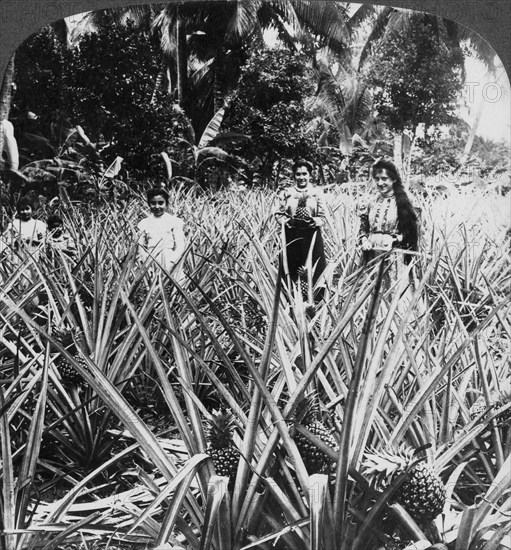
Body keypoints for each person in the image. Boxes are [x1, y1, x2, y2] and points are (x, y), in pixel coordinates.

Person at [358, 157, 419, 288]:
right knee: (371, 292)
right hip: (371, 255)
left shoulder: (405, 202)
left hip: (394, 256)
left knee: (392, 292)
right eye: (377, 179)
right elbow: (363, 229)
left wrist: (394, 240)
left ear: (394, 179)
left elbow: (412, 234)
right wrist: (365, 241)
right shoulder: (371, 202)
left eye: (384, 179)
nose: (380, 183)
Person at [277, 159, 327, 304]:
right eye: (298, 174)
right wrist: (288, 222)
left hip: (312, 235)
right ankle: (292, 302)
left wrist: (314, 221)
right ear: (294, 176)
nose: (301, 177)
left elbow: (323, 216)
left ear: (310, 175)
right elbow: (278, 214)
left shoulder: (316, 192)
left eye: (304, 174)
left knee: (314, 268)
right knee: (292, 268)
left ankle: (314, 302)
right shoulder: (287, 192)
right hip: (292, 235)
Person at [137, 187, 186, 277]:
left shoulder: (174, 221)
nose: (157, 207)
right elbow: (141, 247)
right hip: (150, 261)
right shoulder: (144, 223)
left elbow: (180, 245)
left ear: (166, 204)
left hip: (169, 260)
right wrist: (146, 264)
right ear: (149, 204)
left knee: (172, 286)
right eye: (153, 203)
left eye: (160, 203)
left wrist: (173, 262)